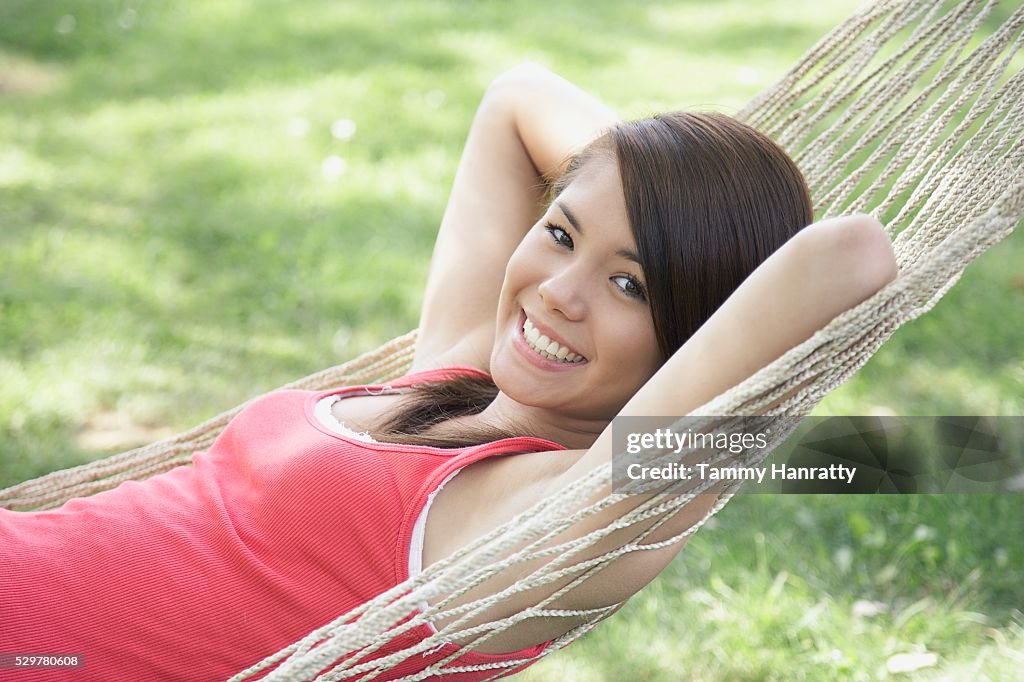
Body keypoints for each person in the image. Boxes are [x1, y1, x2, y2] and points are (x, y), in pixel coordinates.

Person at [0, 64, 897, 680]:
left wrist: (682, 228)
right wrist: (642, 187)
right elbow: (517, 98)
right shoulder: (460, 376)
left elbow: (849, 255)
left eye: (630, 285)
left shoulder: (562, 521)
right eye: (560, 234)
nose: (557, 294)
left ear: (697, 332)